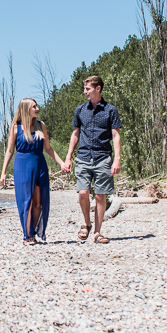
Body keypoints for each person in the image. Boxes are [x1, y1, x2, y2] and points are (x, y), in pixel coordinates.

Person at [61, 75, 122, 244]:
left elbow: (116, 135)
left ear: (98, 88)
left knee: (101, 196)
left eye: (87, 88)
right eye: (85, 88)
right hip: (83, 157)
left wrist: (117, 159)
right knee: (83, 192)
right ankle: (86, 222)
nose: (85, 91)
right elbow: (75, 134)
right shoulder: (80, 110)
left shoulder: (110, 110)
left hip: (103, 157)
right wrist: (68, 158)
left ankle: (97, 232)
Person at [0, 98, 67, 245]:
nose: (37, 109)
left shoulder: (41, 126)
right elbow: (10, 150)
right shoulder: (15, 128)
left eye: (36, 106)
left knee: (38, 204)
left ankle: (33, 232)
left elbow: (48, 148)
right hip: (22, 166)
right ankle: (27, 235)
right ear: (25, 109)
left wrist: (62, 163)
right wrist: (3, 172)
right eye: (34, 107)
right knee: (26, 202)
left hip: (40, 164)